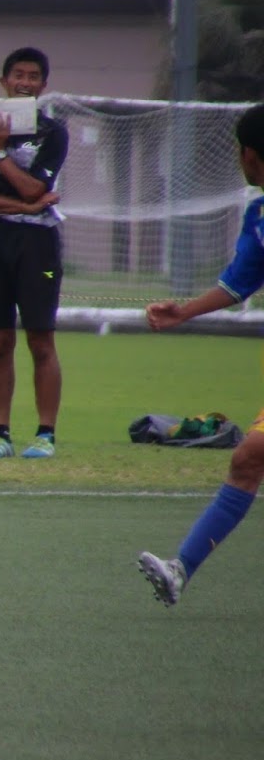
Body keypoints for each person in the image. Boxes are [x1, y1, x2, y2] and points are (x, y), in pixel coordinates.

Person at [137, 103, 264, 607]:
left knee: (249, 457)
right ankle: (180, 569)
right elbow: (237, 285)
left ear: (249, 154)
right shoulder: (259, 218)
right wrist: (183, 312)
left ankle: (181, 568)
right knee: (248, 460)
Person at [0, 46, 70, 459]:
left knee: (40, 338)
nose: (25, 83)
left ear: (43, 85)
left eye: (33, 76)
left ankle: (45, 434)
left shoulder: (52, 133)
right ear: (4, 82)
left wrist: (0, 155)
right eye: (18, 75)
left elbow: (35, 188)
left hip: (39, 245)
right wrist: (24, 207)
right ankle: (0, 434)